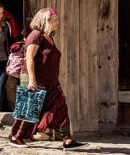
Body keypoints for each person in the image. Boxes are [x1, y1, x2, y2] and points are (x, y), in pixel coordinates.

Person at [9, 8, 85, 150]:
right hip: (37, 81)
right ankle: (16, 137)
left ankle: (68, 141)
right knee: (29, 110)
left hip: (51, 82)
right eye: (54, 19)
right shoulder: (35, 35)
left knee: (61, 108)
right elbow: (29, 58)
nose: (57, 22)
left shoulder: (49, 37)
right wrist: (32, 80)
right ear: (45, 20)